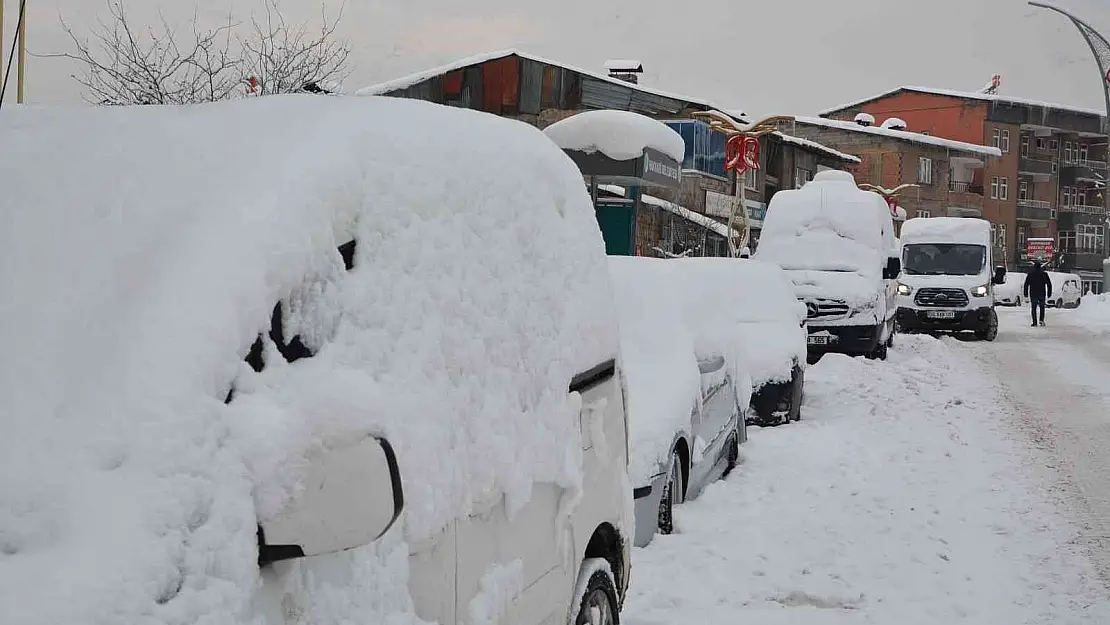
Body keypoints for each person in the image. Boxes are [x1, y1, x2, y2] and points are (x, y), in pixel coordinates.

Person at [1023, 260, 1053, 327]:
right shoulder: (1044, 274)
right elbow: (1049, 284)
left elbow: (1026, 284)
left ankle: (1034, 322)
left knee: (1034, 308)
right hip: (1042, 293)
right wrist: (1049, 293)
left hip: (1033, 293)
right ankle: (1041, 320)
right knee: (1042, 307)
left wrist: (1025, 293)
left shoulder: (1030, 274)